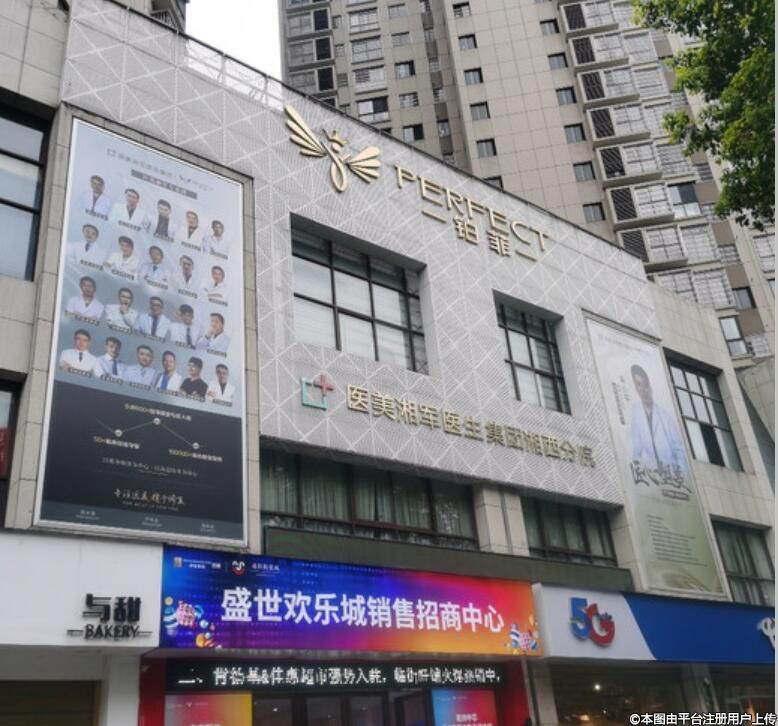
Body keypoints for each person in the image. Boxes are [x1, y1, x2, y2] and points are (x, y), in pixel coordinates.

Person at [630, 364, 688, 474]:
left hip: (671, 474)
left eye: (645, 384)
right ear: (635, 387)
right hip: (652, 475)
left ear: (650, 386)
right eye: (638, 384)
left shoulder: (665, 416)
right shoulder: (635, 412)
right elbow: (636, 451)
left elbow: (679, 450)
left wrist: (681, 474)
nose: (643, 390)